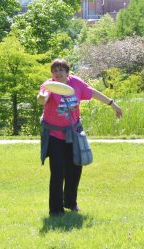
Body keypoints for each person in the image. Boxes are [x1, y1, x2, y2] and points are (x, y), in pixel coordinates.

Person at [37, 58, 123, 216]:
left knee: (75, 168)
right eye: (55, 71)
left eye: (61, 70)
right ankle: (56, 210)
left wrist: (112, 104)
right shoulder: (49, 85)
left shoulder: (76, 83)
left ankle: (70, 202)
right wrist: (42, 98)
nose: (58, 73)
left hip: (73, 132)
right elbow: (43, 96)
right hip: (54, 135)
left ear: (67, 72)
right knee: (57, 171)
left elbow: (93, 92)